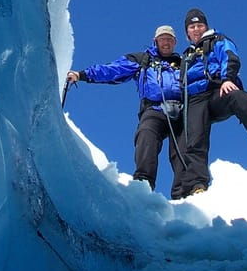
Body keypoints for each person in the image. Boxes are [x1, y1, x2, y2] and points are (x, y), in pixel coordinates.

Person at [66, 25, 187, 197]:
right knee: (146, 134)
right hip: (154, 108)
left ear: (175, 43)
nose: (166, 43)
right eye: (162, 39)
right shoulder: (143, 59)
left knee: (185, 147)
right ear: (155, 41)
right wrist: (83, 74)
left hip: (181, 110)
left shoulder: (184, 63)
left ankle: (184, 193)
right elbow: (113, 69)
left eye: (169, 40)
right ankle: (143, 186)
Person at [178, 8, 247, 197]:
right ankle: (197, 185)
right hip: (195, 99)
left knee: (238, 97)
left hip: (218, 89)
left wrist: (228, 79)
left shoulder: (217, 40)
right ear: (187, 33)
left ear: (206, 26)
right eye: (192, 27)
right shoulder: (185, 57)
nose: (197, 29)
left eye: (200, 25)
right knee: (194, 138)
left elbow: (230, 57)